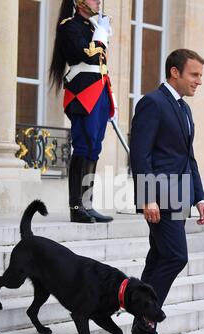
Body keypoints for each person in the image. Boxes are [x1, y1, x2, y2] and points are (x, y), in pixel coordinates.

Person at [130, 49, 204, 334]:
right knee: (176, 257)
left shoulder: (184, 109)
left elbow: (188, 158)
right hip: (159, 196)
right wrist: (147, 195)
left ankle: (142, 331)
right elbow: (140, 153)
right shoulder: (152, 102)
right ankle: (146, 327)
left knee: (159, 259)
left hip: (179, 195)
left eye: (201, 75)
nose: (199, 81)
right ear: (174, 73)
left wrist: (199, 196)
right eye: (194, 75)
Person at [50, 0, 115, 224]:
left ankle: (87, 204)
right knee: (84, 146)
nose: (98, 1)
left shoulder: (90, 27)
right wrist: (101, 34)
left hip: (99, 92)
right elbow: (86, 55)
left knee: (94, 148)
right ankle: (76, 206)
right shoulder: (70, 25)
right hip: (83, 93)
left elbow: (101, 66)